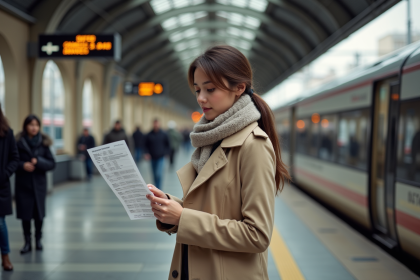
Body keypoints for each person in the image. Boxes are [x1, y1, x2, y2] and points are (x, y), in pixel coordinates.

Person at [146, 45, 290, 280]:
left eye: (210, 89)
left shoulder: (254, 145)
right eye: (197, 89)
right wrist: (169, 207)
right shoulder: (210, 139)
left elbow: (257, 235)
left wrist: (182, 218)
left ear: (239, 88)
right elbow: (213, 209)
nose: (201, 98)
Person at [15, 115, 56, 254]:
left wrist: (38, 161)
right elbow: (12, 161)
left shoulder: (43, 143)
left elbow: (52, 164)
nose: (34, 128)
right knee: (25, 215)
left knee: (39, 214)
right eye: (31, 125)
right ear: (25, 126)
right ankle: (27, 242)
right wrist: (22, 165)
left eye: (37, 125)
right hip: (23, 185)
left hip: (38, 185)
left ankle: (38, 240)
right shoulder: (18, 142)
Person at [0, 106, 19, 271]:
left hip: (0, 185)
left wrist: (4, 174)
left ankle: (5, 256)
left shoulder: (7, 133)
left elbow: (15, 158)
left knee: (0, 223)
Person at [144, 119, 170, 190]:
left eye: (157, 123)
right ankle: (155, 187)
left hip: (160, 157)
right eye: (155, 124)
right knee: (154, 174)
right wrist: (146, 153)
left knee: (159, 174)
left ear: (159, 124)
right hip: (152, 157)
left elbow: (167, 144)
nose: (156, 125)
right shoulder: (149, 134)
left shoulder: (164, 134)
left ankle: (159, 189)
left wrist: (166, 153)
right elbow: (145, 145)